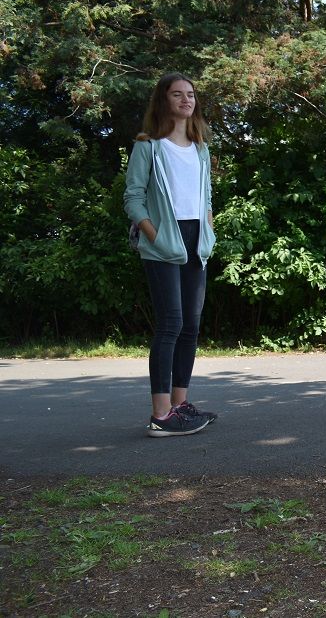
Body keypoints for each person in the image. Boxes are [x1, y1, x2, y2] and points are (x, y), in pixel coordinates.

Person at [123, 73, 218, 437]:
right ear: (163, 100)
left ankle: (179, 405)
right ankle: (161, 414)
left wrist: (208, 230)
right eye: (177, 94)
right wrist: (155, 235)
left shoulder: (200, 148)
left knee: (191, 326)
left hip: (196, 241)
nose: (185, 99)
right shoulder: (148, 146)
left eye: (190, 94)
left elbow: (206, 197)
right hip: (164, 242)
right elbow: (133, 198)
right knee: (171, 325)